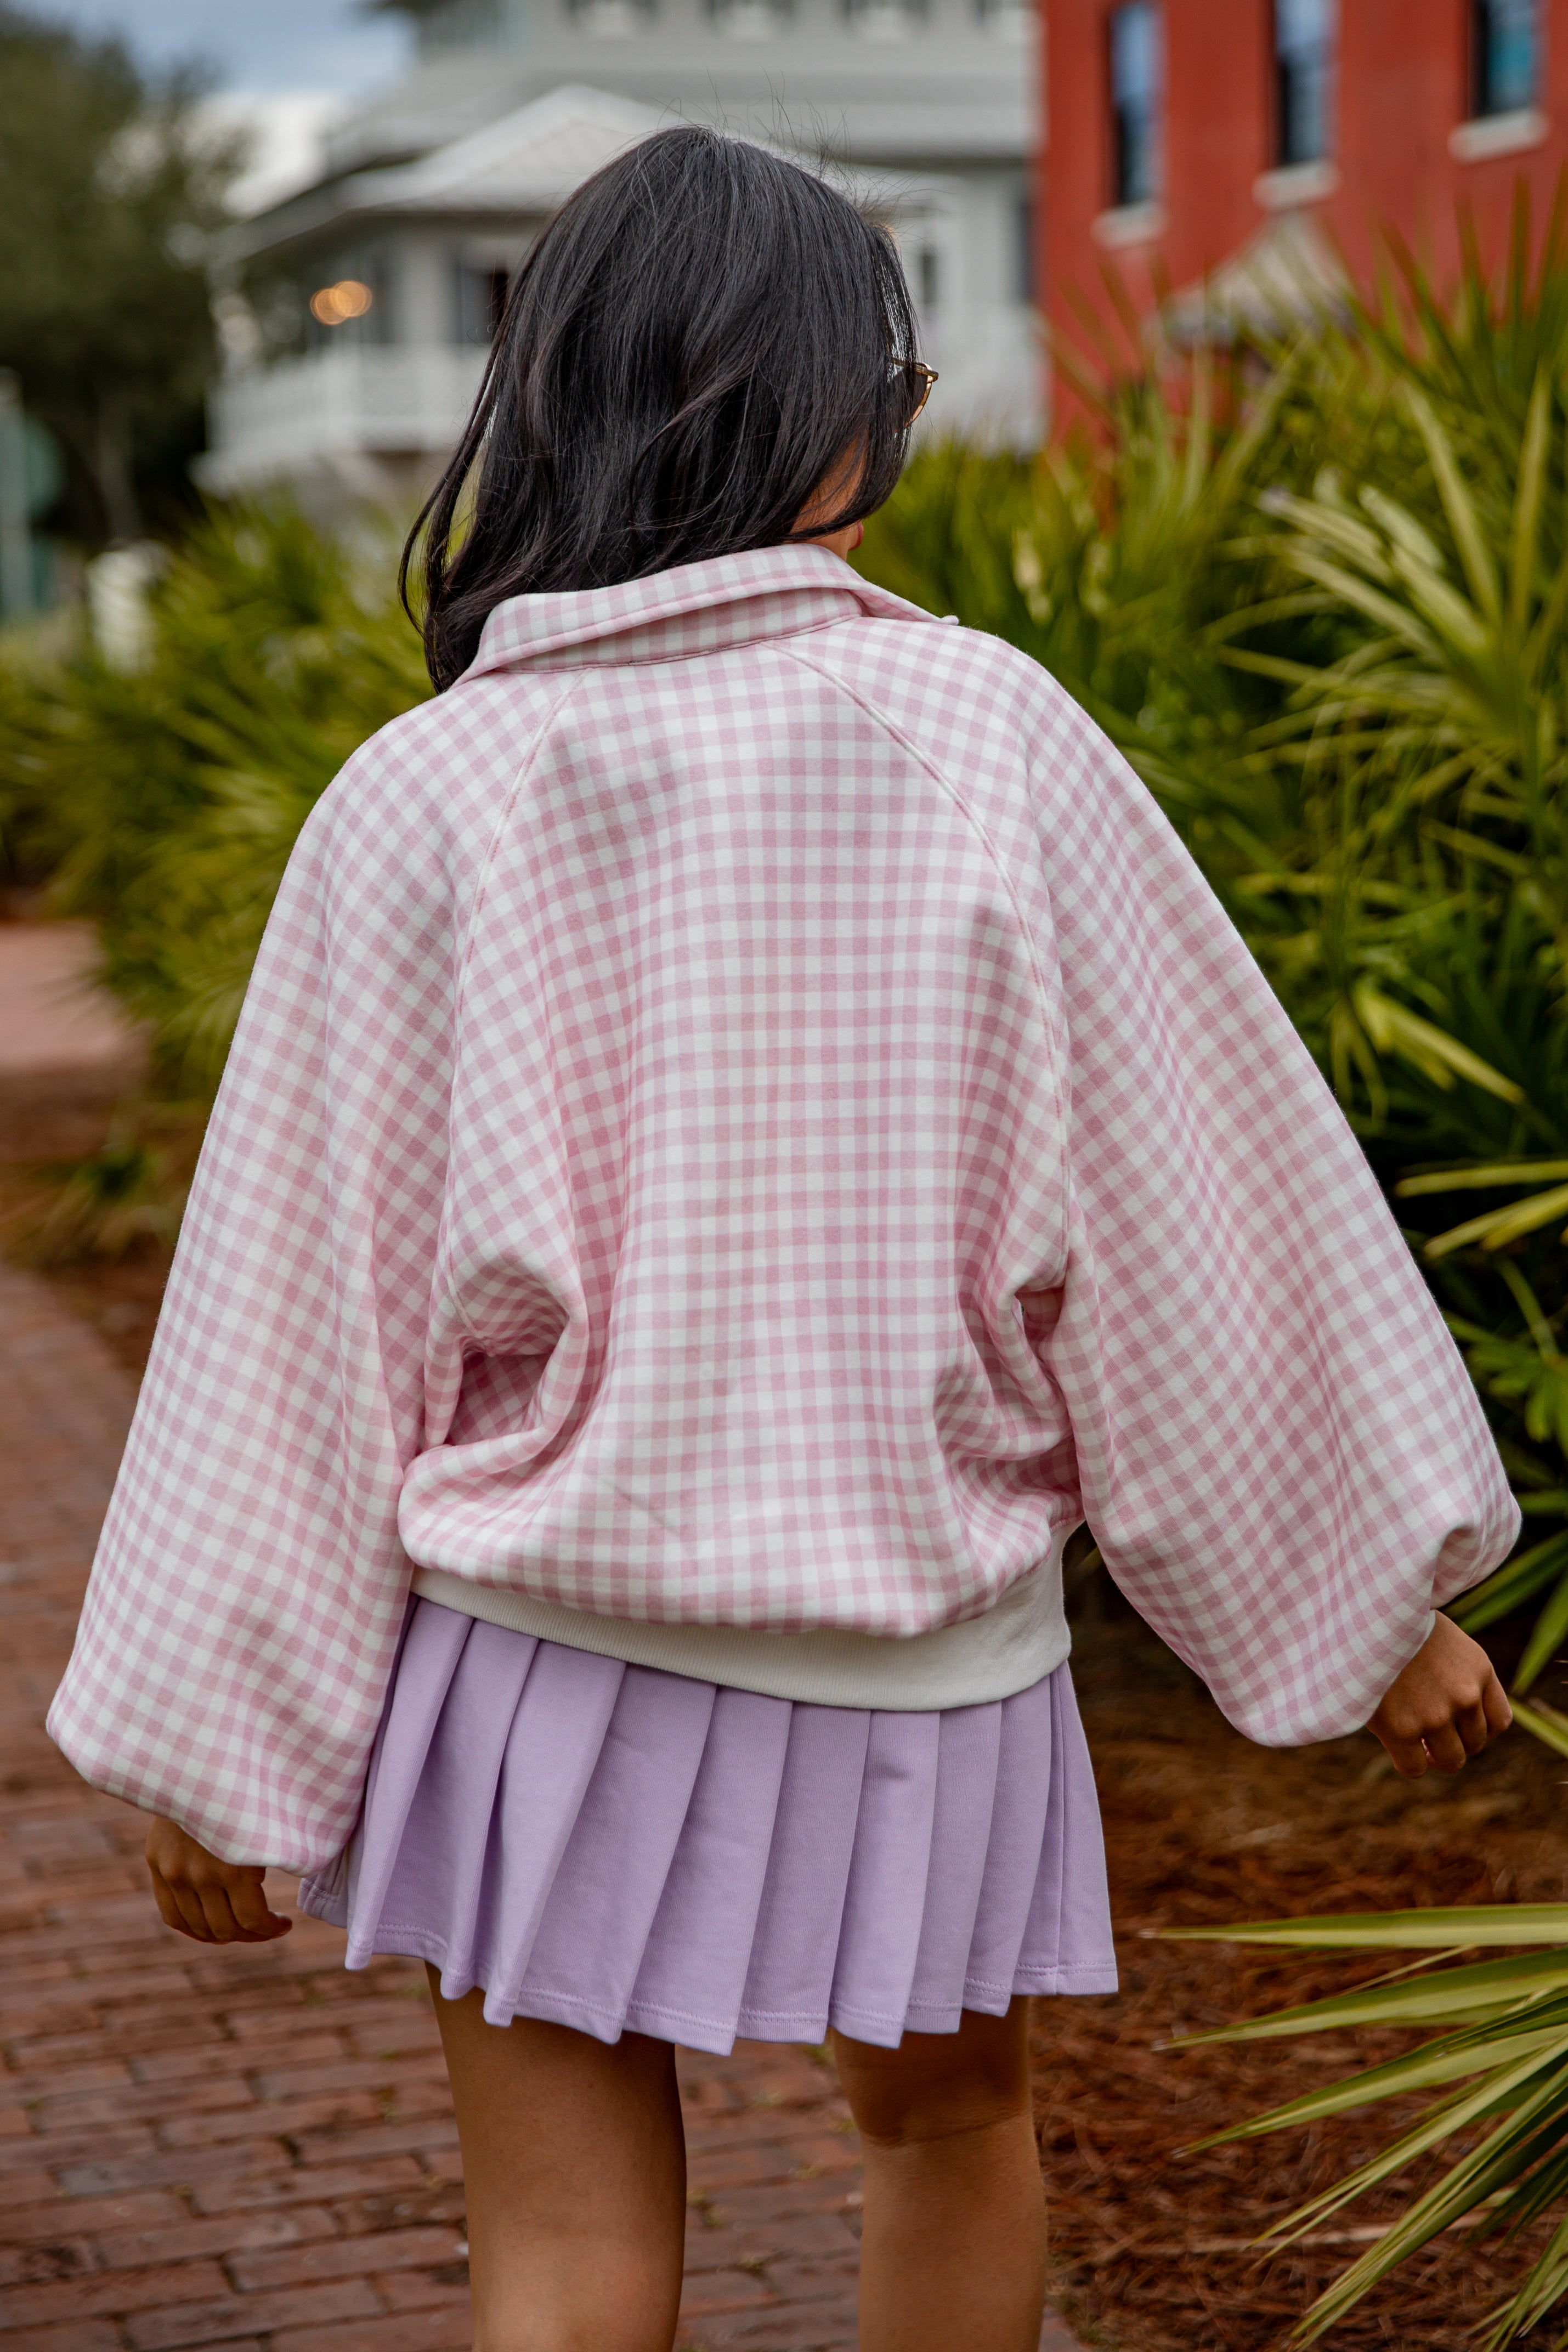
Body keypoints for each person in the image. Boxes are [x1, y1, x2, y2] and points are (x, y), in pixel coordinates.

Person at [50, 127, 1517, 2352]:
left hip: (535, 1651)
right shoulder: (985, 738)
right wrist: (1364, 1595)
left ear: (549, 398)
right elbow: (1195, 1203)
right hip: (916, 1651)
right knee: (943, 2135)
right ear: (849, 406)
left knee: (557, 2246)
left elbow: (293, 1308)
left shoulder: (422, 792)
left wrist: (209, 1739)